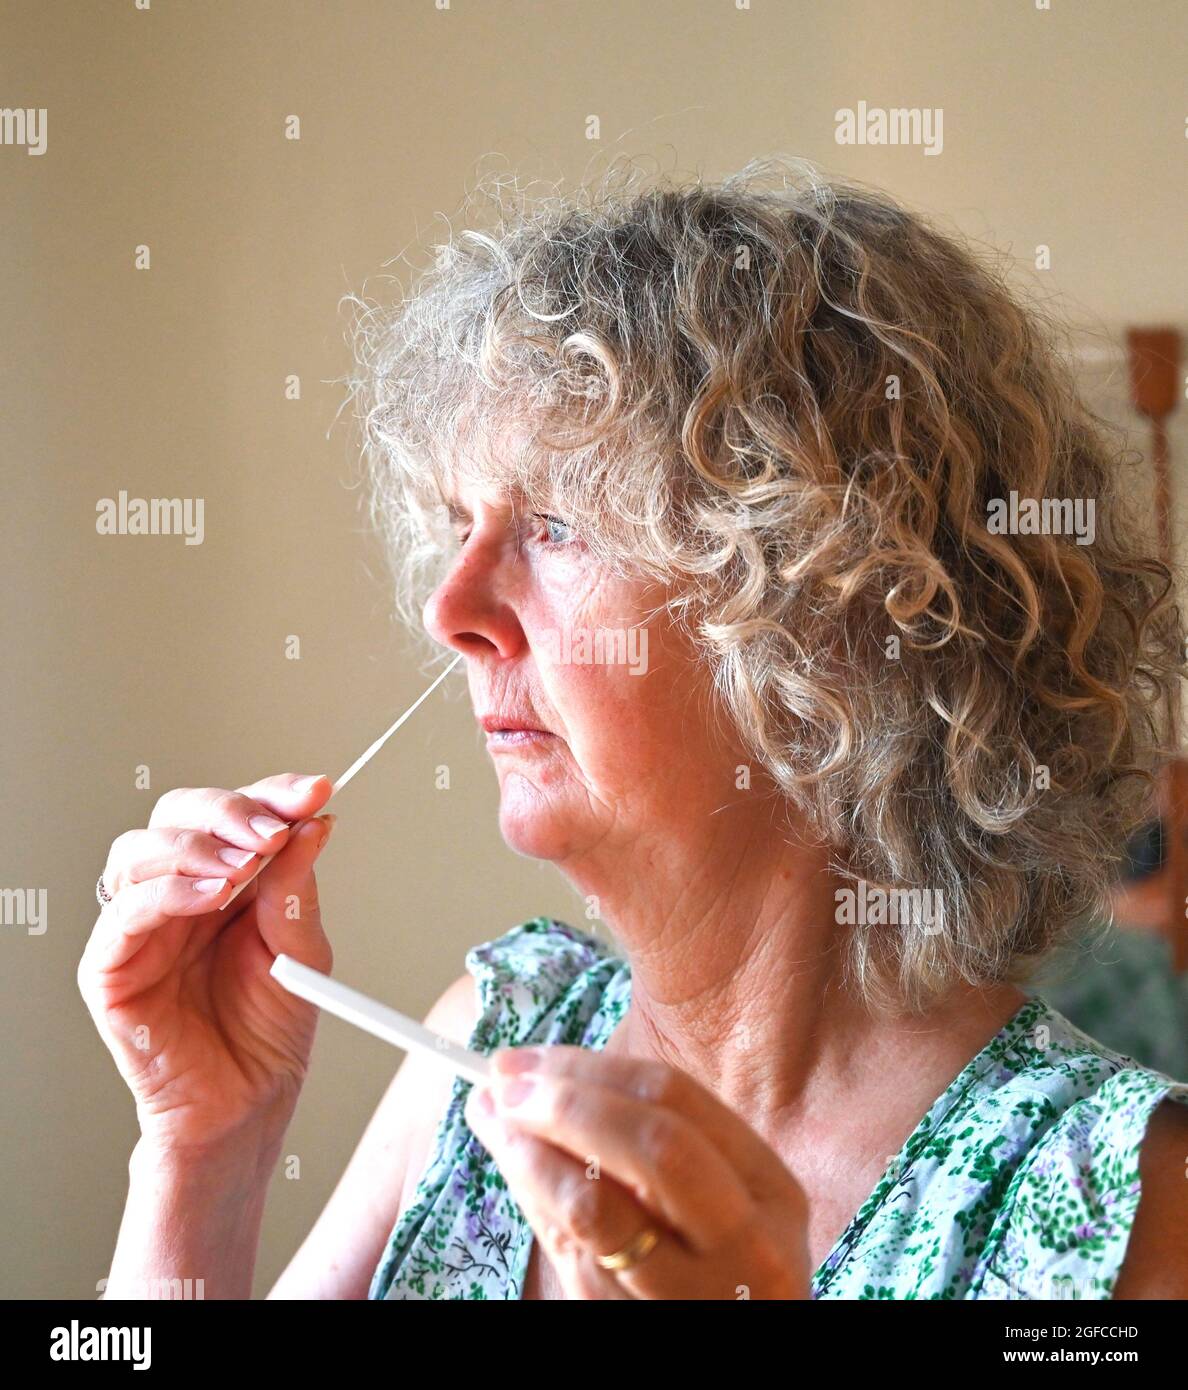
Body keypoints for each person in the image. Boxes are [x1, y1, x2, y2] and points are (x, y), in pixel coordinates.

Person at [81, 157, 1188, 1300]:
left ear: (840, 607)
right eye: (462, 522)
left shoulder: (1125, 1210)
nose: (448, 610)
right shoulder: (494, 1039)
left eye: (557, 524)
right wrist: (202, 1152)